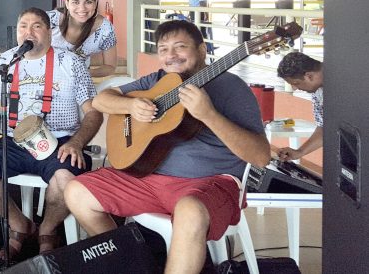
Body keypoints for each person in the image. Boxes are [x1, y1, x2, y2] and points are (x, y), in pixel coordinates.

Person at [64, 19, 270, 274]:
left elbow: (261, 157)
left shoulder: (231, 87)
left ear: (202, 50)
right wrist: (131, 106)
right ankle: (135, 264)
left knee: (190, 210)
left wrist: (209, 115)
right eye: (163, 49)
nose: (171, 55)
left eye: (180, 47)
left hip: (209, 183)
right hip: (148, 178)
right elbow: (102, 100)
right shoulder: (158, 80)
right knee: (77, 191)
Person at [0, 7, 99, 258]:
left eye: (37, 26)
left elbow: (93, 113)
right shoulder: (4, 62)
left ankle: (47, 230)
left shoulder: (70, 63)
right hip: (14, 141)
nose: (29, 31)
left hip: (60, 140)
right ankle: (20, 224)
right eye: (24, 26)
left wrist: (77, 143)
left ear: (49, 31)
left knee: (66, 179)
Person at [48, 0, 118, 78]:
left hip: (77, 84)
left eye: (88, 2)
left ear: (95, 3)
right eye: (75, 2)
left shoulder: (105, 28)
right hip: (45, 81)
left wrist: (82, 73)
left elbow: (110, 67)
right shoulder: (49, 20)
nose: (82, 9)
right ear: (67, 3)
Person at [276, 52, 324, 162]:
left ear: (309, 76)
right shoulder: (317, 92)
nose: (294, 88)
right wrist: (299, 152)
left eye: (296, 83)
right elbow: (324, 128)